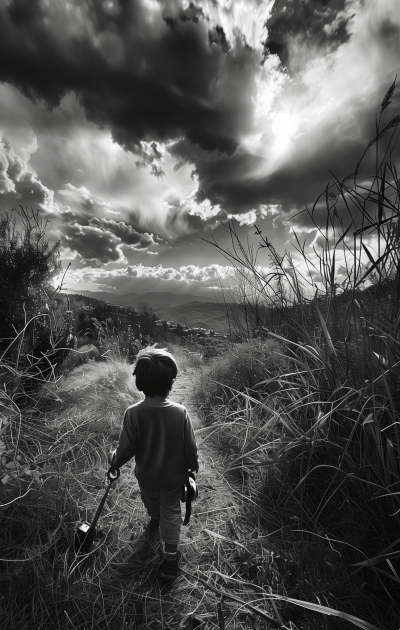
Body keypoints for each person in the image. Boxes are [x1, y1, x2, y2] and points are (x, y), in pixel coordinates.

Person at [107, 347, 199, 582]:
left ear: (139, 383)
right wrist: (192, 466)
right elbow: (190, 446)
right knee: (172, 513)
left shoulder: (133, 413)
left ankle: (154, 518)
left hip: (146, 476)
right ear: (171, 382)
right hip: (173, 479)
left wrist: (114, 461)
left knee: (151, 504)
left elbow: (126, 449)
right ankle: (170, 562)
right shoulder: (180, 412)